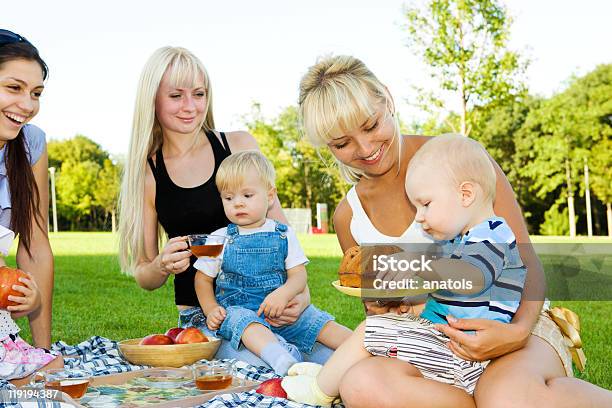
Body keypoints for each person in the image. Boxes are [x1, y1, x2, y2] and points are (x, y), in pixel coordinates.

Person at [294, 55, 612, 407]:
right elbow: (385, 310)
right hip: (435, 344)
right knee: (361, 384)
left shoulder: (460, 161)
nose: (366, 149)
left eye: (371, 126)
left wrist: (516, 333)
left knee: (506, 397)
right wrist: (384, 302)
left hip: (516, 318)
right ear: (327, 146)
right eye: (343, 144)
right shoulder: (348, 217)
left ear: (388, 99)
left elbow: (526, 263)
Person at [118, 46, 333, 367]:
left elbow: (283, 234)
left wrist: (298, 296)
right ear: (152, 100)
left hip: (270, 305)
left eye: (199, 93)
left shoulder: (239, 146)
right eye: (176, 96)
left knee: (337, 362)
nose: (190, 106)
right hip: (208, 317)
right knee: (263, 368)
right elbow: (145, 275)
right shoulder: (148, 173)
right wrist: (161, 265)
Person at [283, 134, 527, 406]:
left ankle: (319, 392)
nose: (419, 216)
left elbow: (472, 276)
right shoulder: (459, 239)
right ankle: (330, 376)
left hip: (464, 355)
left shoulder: (492, 235)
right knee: (386, 326)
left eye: (425, 204)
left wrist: (419, 266)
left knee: (371, 330)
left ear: (465, 194)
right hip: (451, 343)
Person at [194, 151, 351, 375]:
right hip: (239, 311)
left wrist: (284, 294)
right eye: (228, 198)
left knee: (317, 321)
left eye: (247, 195)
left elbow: (298, 275)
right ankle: (281, 360)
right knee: (246, 323)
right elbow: (202, 279)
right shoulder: (218, 238)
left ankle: (366, 350)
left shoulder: (283, 233)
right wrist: (211, 309)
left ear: (270, 196)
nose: (237, 203)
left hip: (283, 310)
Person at [0, 29, 61, 385]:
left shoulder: (31, 143)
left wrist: (42, 350)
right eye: (14, 88)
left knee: (47, 373)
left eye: (36, 93)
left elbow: (35, 243)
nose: (27, 104)